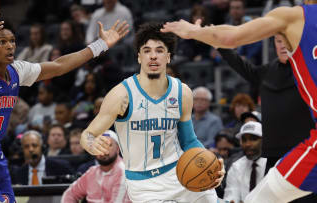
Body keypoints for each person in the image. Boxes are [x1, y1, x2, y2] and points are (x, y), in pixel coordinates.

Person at [0, 12, 128, 203]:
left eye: (12, 40)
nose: (10, 46)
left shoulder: (17, 71)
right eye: (1, 42)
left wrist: (100, 45)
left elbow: (59, 65)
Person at [161, 1, 317, 202]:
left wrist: (193, 31)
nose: (283, 45)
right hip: (280, 150)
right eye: (278, 41)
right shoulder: (270, 68)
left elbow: (230, 36)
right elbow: (235, 51)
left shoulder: (295, 17)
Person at [80, 22, 225, 203]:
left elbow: (189, 140)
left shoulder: (182, 92)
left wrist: (211, 163)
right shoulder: (121, 95)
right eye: (147, 51)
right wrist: (91, 144)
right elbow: (88, 134)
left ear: (169, 57)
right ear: (139, 57)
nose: (153, 56)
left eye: (159, 50)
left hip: (179, 173)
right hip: (144, 185)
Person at [61, 130, 131, 203]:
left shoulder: (124, 171)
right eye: (99, 145)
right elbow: (69, 194)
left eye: (108, 145)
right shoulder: (92, 172)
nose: (103, 149)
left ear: (117, 149)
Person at [224, 121, 267, 203]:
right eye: (244, 140)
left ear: (264, 140)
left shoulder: (274, 165)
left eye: (253, 139)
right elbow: (231, 195)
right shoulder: (236, 167)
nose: (247, 144)